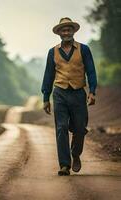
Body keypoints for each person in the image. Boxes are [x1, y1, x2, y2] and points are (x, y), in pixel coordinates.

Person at [41, 17, 97, 176]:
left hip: (79, 93)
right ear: (58, 33)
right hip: (59, 93)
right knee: (61, 128)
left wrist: (92, 91)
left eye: (69, 29)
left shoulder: (84, 49)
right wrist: (46, 97)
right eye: (63, 30)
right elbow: (48, 75)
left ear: (73, 31)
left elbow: (91, 71)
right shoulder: (53, 52)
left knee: (79, 128)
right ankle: (64, 165)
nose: (66, 32)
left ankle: (76, 154)